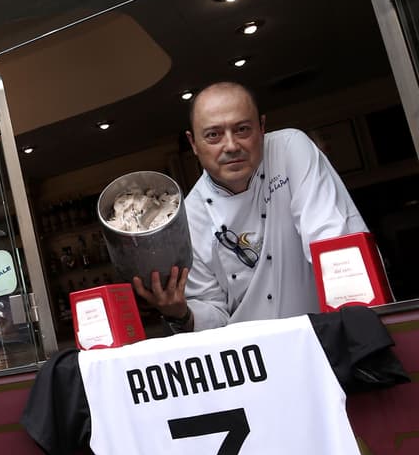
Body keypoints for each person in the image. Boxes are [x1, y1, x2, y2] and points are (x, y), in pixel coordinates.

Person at [134, 81, 367, 332]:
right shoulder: (190, 217)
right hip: (255, 353)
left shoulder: (290, 150)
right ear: (193, 143)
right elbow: (214, 313)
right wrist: (179, 312)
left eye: (242, 129)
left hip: (326, 331)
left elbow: (330, 237)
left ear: (262, 127)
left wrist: (356, 324)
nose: (231, 146)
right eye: (214, 135)